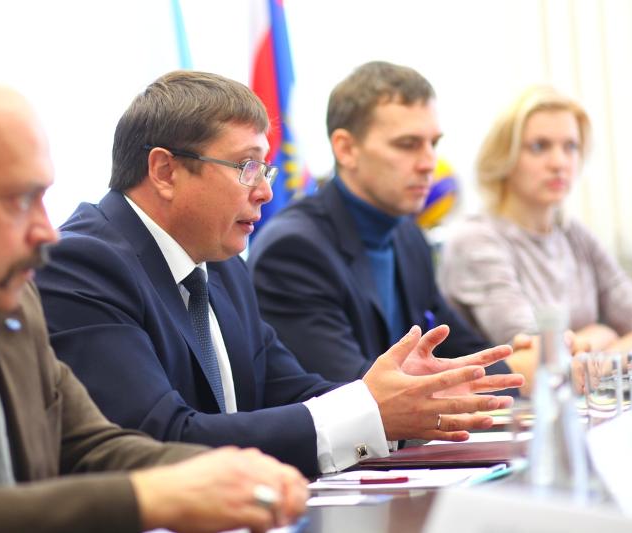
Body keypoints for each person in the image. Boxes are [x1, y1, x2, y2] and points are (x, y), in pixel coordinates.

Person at [0, 68, 310, 533]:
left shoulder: (6, 293)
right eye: (19, 200)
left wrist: (232, 478)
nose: (46, 231)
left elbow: (89, 445)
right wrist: (148, 498)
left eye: (43, 198)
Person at [36, 70, 523, 478]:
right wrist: (370, 409)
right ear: (165, 171)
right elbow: (159, 438)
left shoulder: (223, 267)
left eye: (264, 170)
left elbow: (290, 391)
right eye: (245, 167)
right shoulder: (82, 264)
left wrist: (404, 396)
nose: (265, 193)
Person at [247, 61, 536, 396]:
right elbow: (356, 394)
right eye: (407, 144)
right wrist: (522, 371)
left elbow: (461, 347)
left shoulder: (408, 235)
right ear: (346, 149)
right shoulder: (293, 250)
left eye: (433, 143)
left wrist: (519, 355)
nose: (429, 163)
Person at [438, 85, 632, 352]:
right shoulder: (475, 240)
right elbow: (538, 355)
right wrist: (603, 336)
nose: (559, 163)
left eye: (571, 146)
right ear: (504, 156)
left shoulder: (572, 233)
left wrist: (594, 342)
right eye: (539, 147)